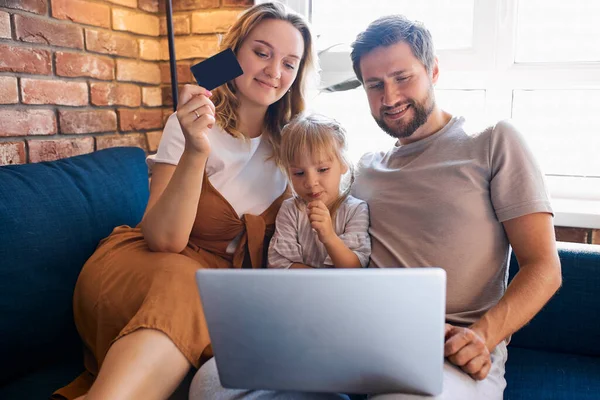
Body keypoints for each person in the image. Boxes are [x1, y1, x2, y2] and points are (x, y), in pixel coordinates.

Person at [191, 13, 562, 400]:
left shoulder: (493, 142)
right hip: (343, 333)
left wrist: (482, 337)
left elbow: (544, 267)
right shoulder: (364, 168)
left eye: (403, 78)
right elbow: (305, 179)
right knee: (213, 383)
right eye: (374, 85)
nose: (390, 98)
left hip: (444, 346)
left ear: (433, 70)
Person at [51, 3, 318, 399]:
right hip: (148, 265)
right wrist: (196, 149)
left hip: (221, 291)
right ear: (232, 55)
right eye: (262, 53)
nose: (274, 72)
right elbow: (163, 240)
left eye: (289, 64)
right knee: (188, 282)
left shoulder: (293, 145)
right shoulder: (188, 123)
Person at [268, 113, 371, 269]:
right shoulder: (291, 210)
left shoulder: (355, 210)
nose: (310, 182)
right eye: (299, 173)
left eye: (322, 169)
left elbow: (355, 268)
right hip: (300, 290)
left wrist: (329, 237)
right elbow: (278, 264)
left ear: (343, 164)